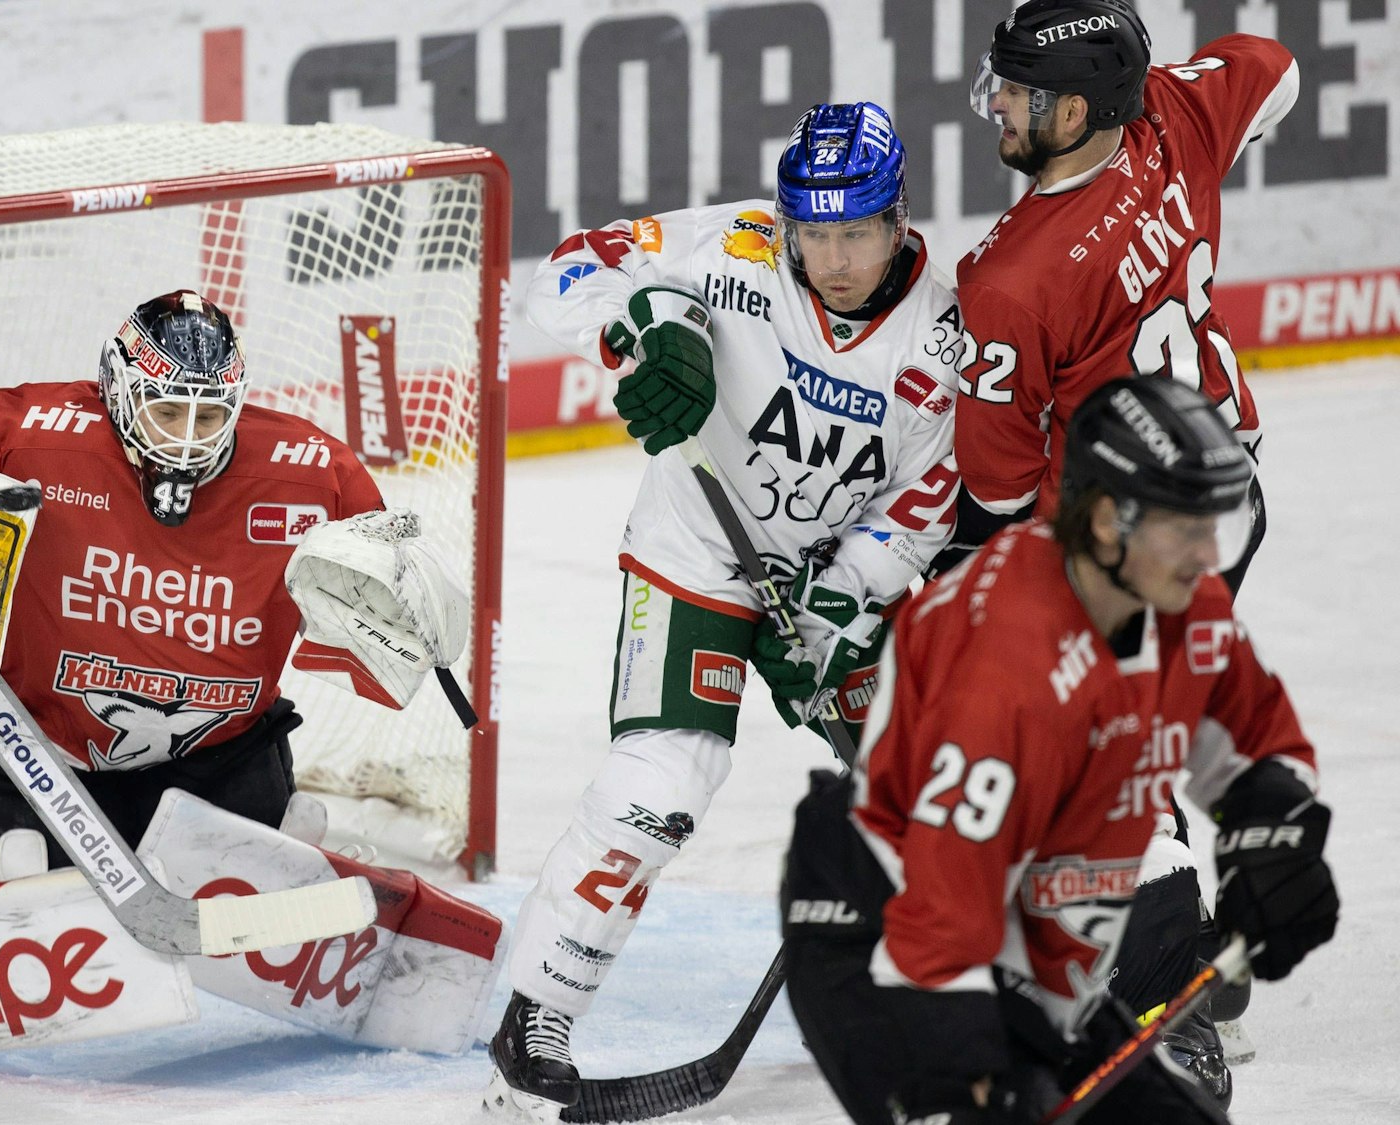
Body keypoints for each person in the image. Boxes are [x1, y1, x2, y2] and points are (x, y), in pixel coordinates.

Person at [482, 102, 964, 1121]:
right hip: (694, 558)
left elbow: (918, 507)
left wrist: (837, 605)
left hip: (830, 582)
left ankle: (970, 999)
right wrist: (651, 328)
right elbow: (562, 271)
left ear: (899, 220)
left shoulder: (945, 335)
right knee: (663, 779)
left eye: (857, 233)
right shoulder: (737, 246)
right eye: (813, 234)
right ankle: (536, 1016)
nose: (831, 259)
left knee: (931, 788)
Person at [779, 376, 1339, 1125]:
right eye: (1186, 525)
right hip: (884, 936)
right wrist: (970, 1076)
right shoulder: (1006, 662)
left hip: (1021, 935)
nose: (1210, 553)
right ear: (1108, 521)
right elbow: (939, 916)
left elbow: (1257, 739)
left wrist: (1274, 836)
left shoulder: (1177, 601)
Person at [0, 289, 417, 883]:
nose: (187, 438)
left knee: (246, 889)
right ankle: (17, 889)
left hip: (217, 752)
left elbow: (378, 588)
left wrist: (404, 598)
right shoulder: (21, 431)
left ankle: (269, 861)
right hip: (30, 744)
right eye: (166, 412)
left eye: (208, 416)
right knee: (34, 885)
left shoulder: (314, 471)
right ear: (119, 386)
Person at [947, 0, 1299, 596]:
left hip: (1121, 560)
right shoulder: (1174, 113)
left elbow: (996, 492)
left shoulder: (1009, 281)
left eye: (1017, 89)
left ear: (1072, 112)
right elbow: (1277, 68)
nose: (998, 102)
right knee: (1178, 686)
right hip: (1231, 494)